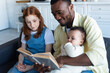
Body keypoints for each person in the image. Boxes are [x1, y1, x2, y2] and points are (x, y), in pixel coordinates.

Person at [35, 0, 109, 73]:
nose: (57, 17)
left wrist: (63, 60)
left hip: (91, 70)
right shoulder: (58, 30)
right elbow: (57, 56)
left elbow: (99, 57)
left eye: (60, 12)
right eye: (54, 14)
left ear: (71, 7)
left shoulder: (88, 23)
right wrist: (47, 67)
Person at [8, 6, 54, 73]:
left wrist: (31, 67)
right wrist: (20, 63)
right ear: (25, 23)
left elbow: (47, 57)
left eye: (34, 21)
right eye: (28, 22)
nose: (32, 25)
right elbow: (22, 52)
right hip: (25, 62)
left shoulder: (47, 32)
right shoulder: (25, 32)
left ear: (39, 19)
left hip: (38, 64)